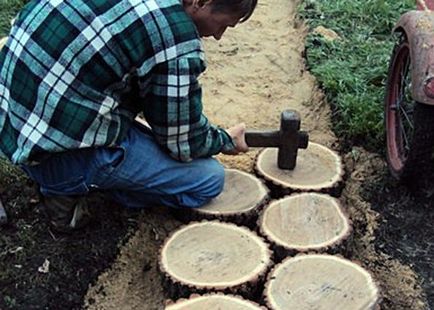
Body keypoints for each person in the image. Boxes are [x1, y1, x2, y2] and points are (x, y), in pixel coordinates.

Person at [0, 0, 256, 232]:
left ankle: (68, 176)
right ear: (201, 2)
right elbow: (182, 142)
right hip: (53, 153)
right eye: (223, 25)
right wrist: (224, 140)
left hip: (11, 122)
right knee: (208, 178)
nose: (219, 36)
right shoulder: (174, 39)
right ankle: (67, 188)